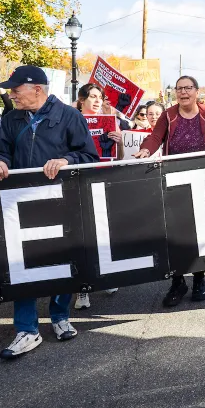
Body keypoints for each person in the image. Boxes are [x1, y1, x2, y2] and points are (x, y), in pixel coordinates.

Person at [0, 66, 100, 360]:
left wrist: (66, 159)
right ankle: (26, 328)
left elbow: (88, 155)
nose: (11, 94)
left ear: (37, 89)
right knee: (21, 262)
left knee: (62, 260)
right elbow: (0, 150)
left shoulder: (70, 116)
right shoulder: (10, 118)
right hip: (20, 203)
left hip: (61, 201)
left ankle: (60, 315)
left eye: (16, 89)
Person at [136, 75, 205, 307]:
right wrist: (146, 150)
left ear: (197, 91)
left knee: (200, 233)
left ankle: (199, 280)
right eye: (179, 89)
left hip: (203, 180)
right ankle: (177, 282)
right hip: (174, 180)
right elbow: (155, 137)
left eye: (188, 88)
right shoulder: (168, 115)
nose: (183, 92)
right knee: (173, 234)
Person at [73, 83, 123, 310]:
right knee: (81, 238)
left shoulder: (110, 123)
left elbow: (118, 158)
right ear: (81, 99)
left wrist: (119, 142)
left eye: (99, 97)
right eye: (92, 96)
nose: (96, 101)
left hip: (102, 181)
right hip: (78, 183)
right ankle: (82, 290)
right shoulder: (71, 120)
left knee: (103, 234)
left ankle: (107, 278)